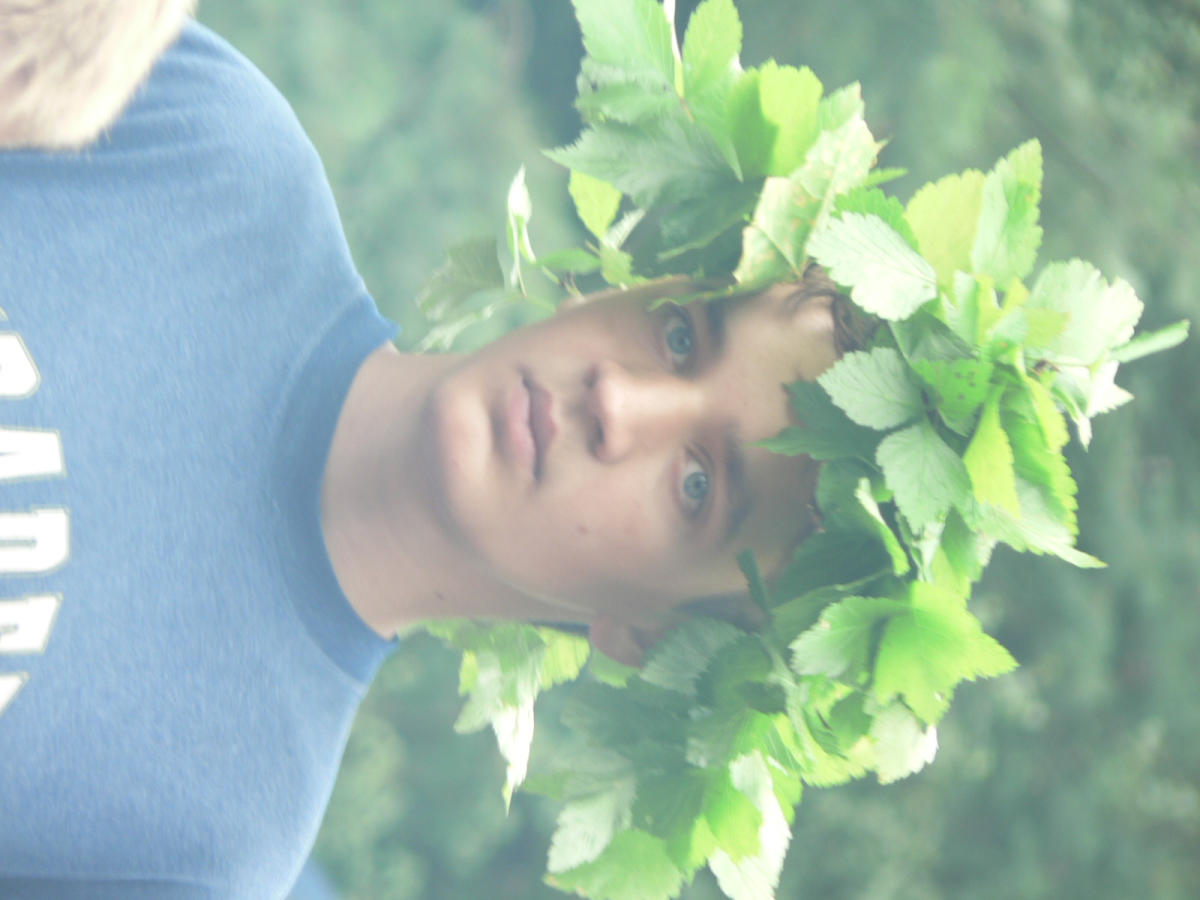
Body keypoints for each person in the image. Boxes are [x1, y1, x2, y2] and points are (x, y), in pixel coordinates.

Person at [0, 11, 845, 899]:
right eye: (680, 337)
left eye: (697, 484)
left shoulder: (197, 847)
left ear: (652, 635)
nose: (618, 400)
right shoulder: (211, 148)